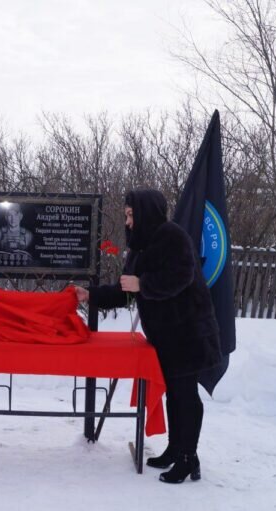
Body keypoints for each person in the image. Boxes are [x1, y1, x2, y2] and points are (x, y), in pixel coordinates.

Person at [75, 189, 221, 484]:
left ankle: (187, 458)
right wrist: (90, 295)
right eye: (126, 215)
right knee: (175, 395)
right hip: (168, 336)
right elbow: (125, 289)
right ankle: (176, 449)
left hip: (188, 332)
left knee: (185, 397)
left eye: (131, 215)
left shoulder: (172, 236)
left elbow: (181, 276)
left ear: (145, 213)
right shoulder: (139, 247)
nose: (127, 221)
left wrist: (143, 284)